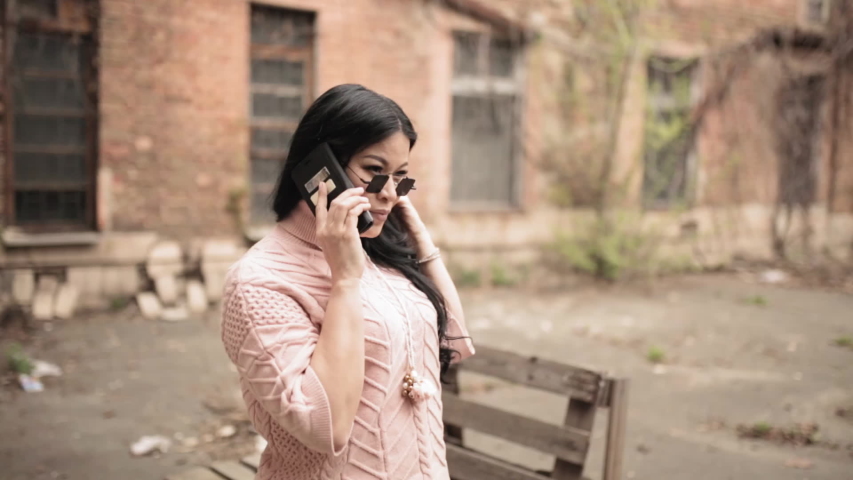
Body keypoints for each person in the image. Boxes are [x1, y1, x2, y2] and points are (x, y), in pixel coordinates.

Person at [220, 83, 475, 480]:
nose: (390, 194)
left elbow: (453, 345)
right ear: (318, 169)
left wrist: (421, 243)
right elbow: (326, 428)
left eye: (401, 177)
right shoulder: (259, 282)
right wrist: (344, 281)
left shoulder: (376, 253)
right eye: (375, 171)